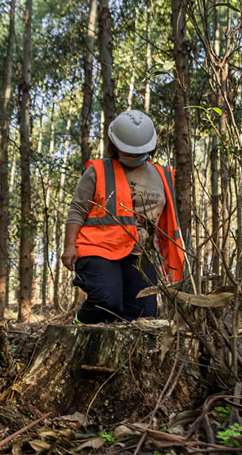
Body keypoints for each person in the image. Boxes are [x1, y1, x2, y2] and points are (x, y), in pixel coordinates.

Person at [62, 110, 185, 324]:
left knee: (143, 315)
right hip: (98, 247)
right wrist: (69, 246)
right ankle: (78, 326)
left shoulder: (164, 176)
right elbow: (77, 209)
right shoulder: (99, 170)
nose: (133, 157)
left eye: (139, 153)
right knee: (107, 300)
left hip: (140, 253)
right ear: (115, 146)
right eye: (128, 151)